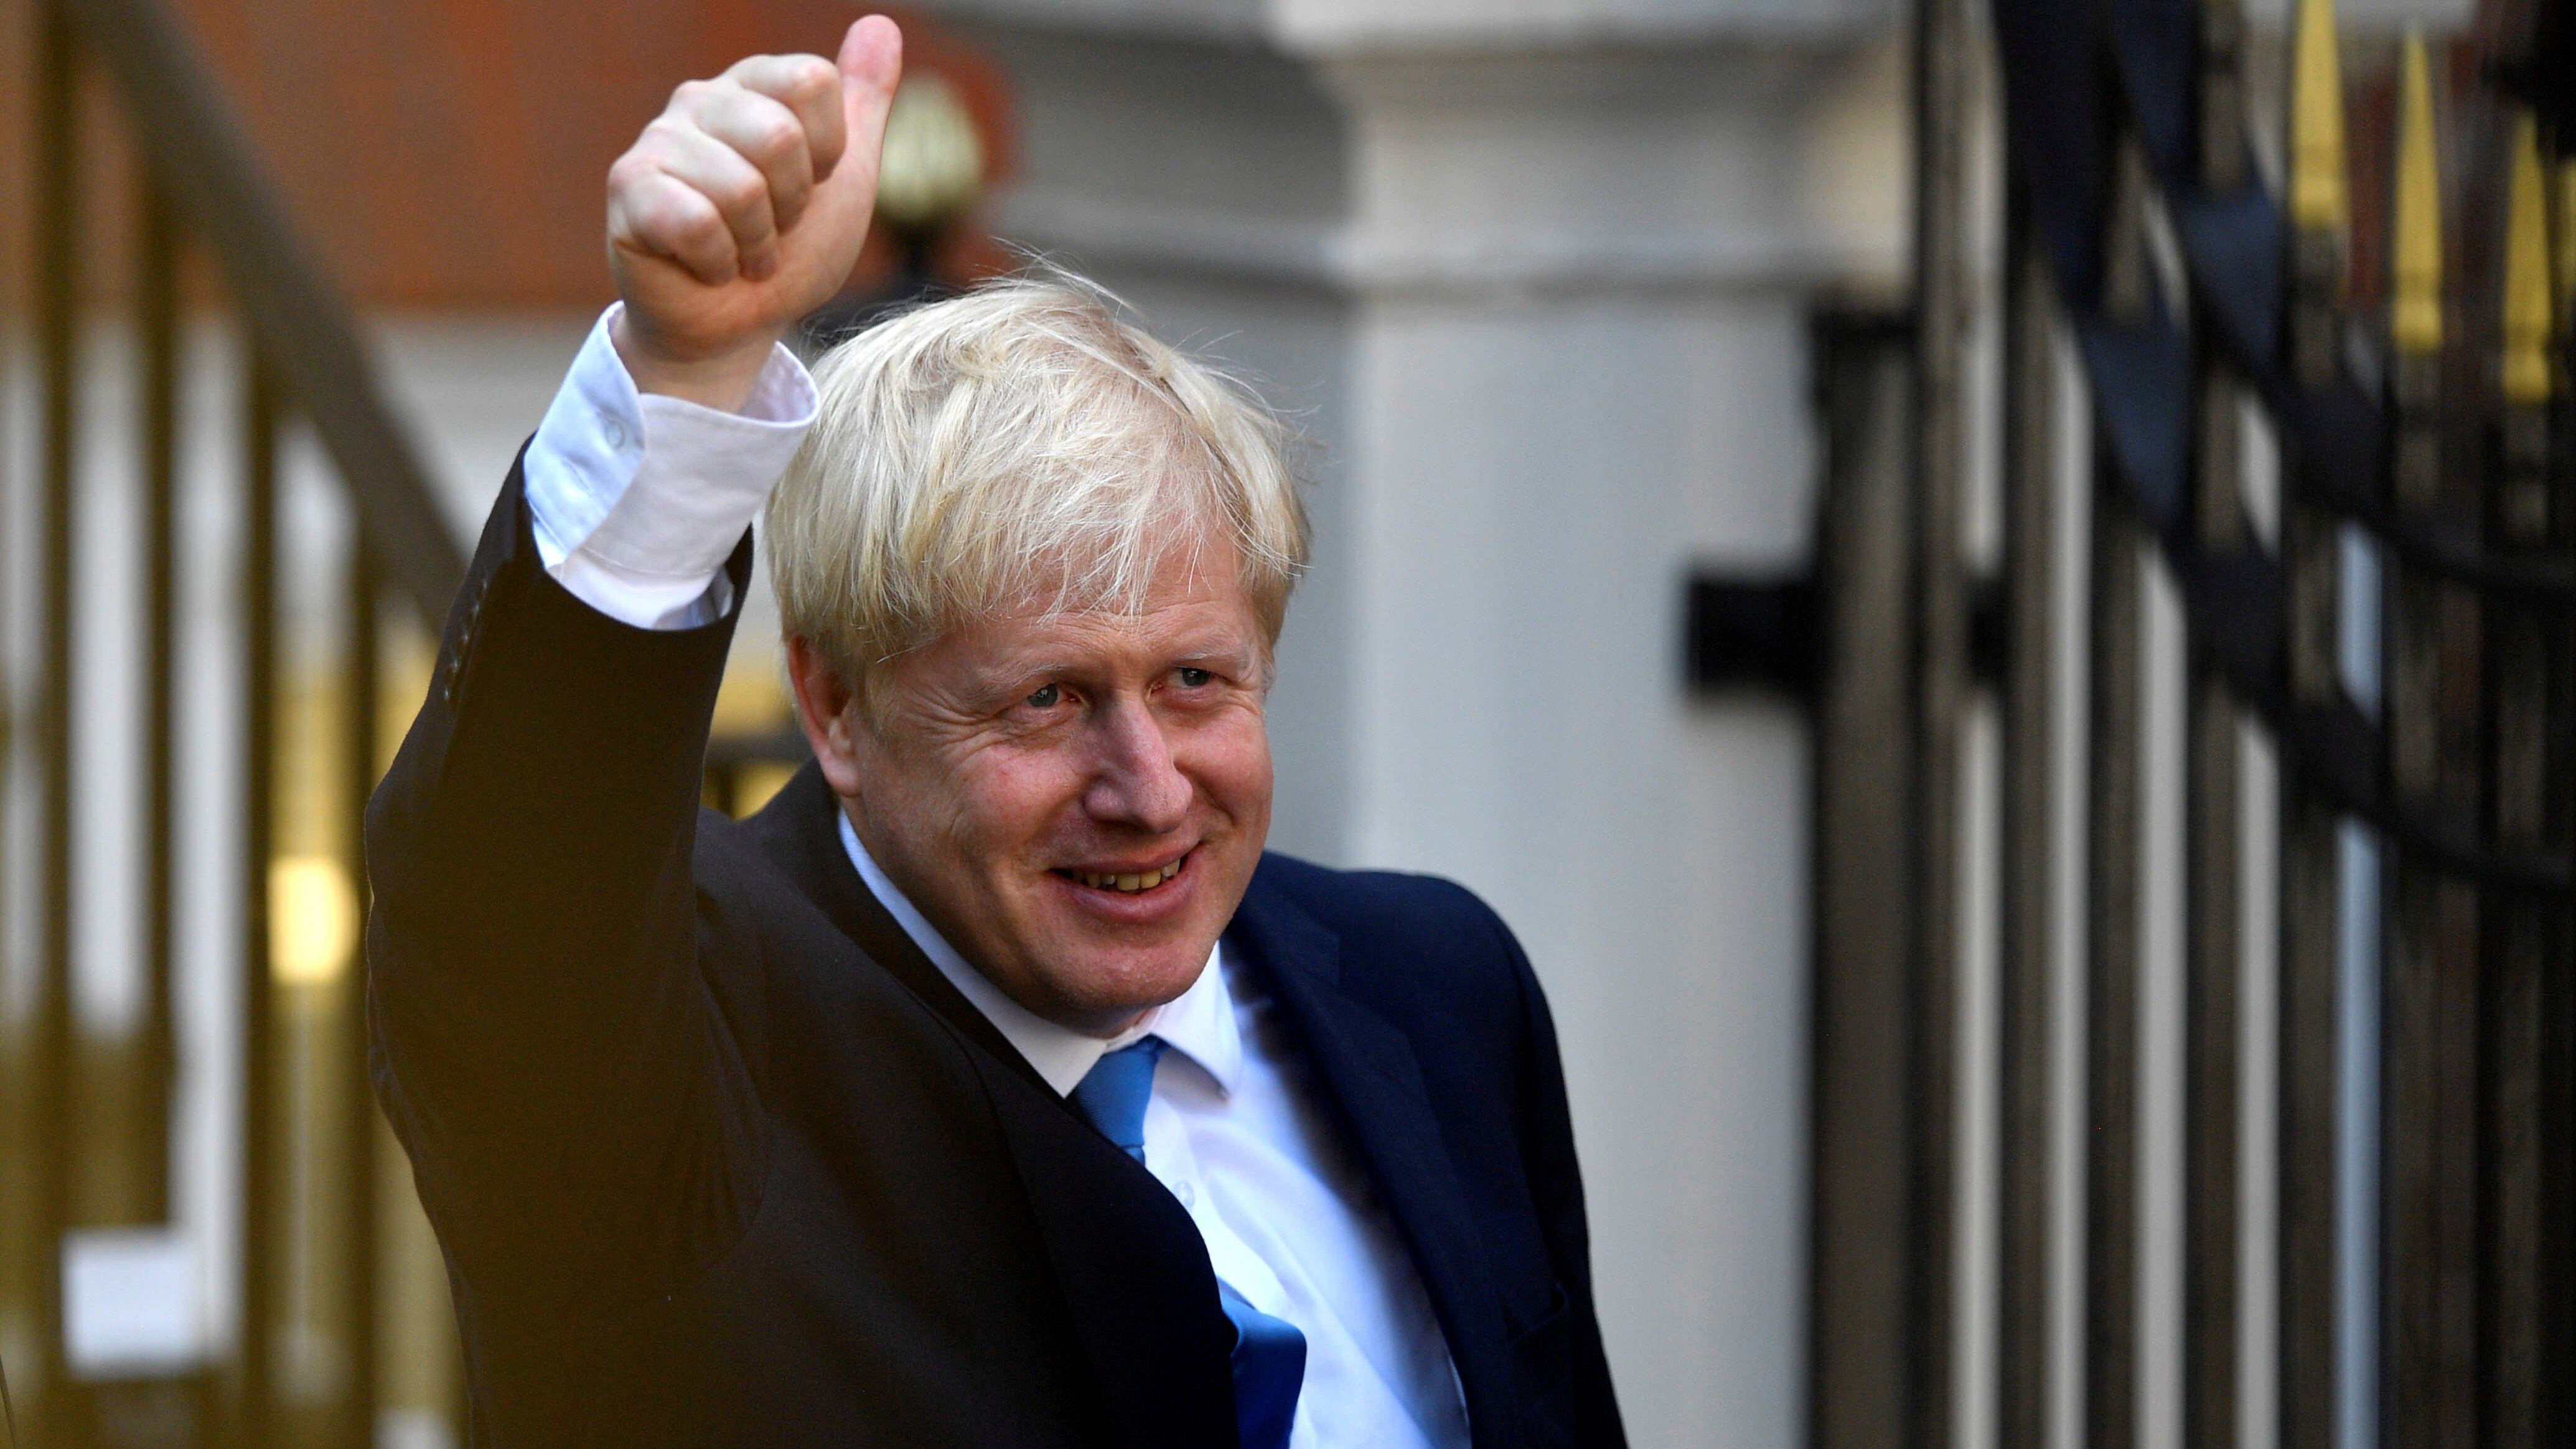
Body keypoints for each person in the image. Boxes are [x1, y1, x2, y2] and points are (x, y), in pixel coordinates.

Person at [365, 16, 1624, 1447]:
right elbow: (507, 913)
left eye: (1197, 682)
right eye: (1049, 700)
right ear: (835, 707)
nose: (1148, 790)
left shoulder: (1439, 991)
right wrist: (687, 372)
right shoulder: (692, 1054)